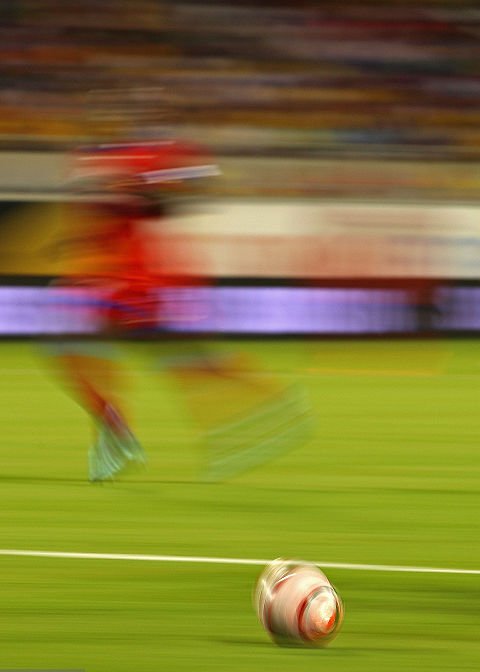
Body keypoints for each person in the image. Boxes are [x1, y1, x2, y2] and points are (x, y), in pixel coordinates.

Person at [50, 87, 310, 482]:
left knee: (170, 358)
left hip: (142, 276)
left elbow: (189, 187)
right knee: (138, 353)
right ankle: (117, 431)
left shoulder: (157, 154)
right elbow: (96, 216)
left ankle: (119, 432)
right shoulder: (90, 158)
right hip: (108, 274)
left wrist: (142, 188)